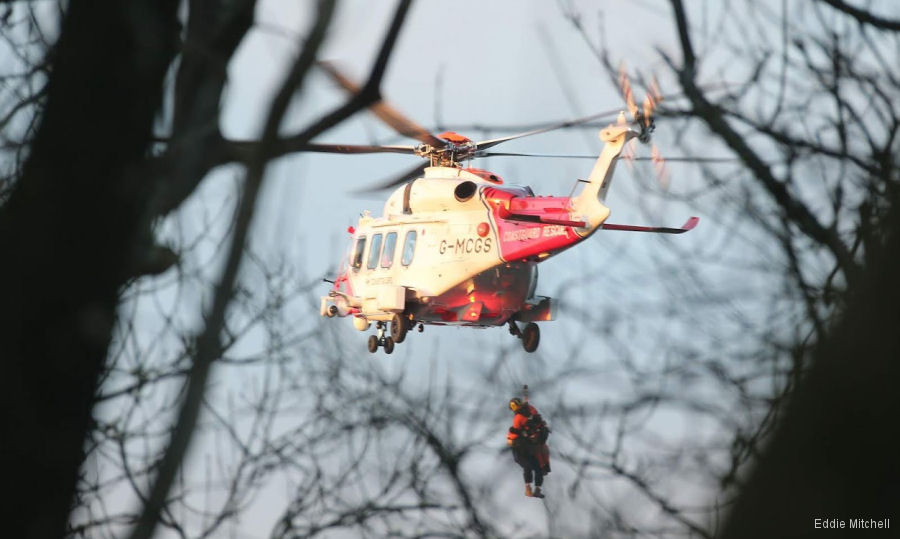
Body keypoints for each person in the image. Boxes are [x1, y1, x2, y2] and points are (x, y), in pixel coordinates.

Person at [507, 397, 551, 497]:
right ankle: (528, 488)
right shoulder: (519, 419)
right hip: (521, 448)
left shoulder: (529, 411)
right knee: (528, 466)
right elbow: (515, 433)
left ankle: (537, 488)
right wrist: (524, 433)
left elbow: (535, 419)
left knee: (538, 468)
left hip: (529, 447)